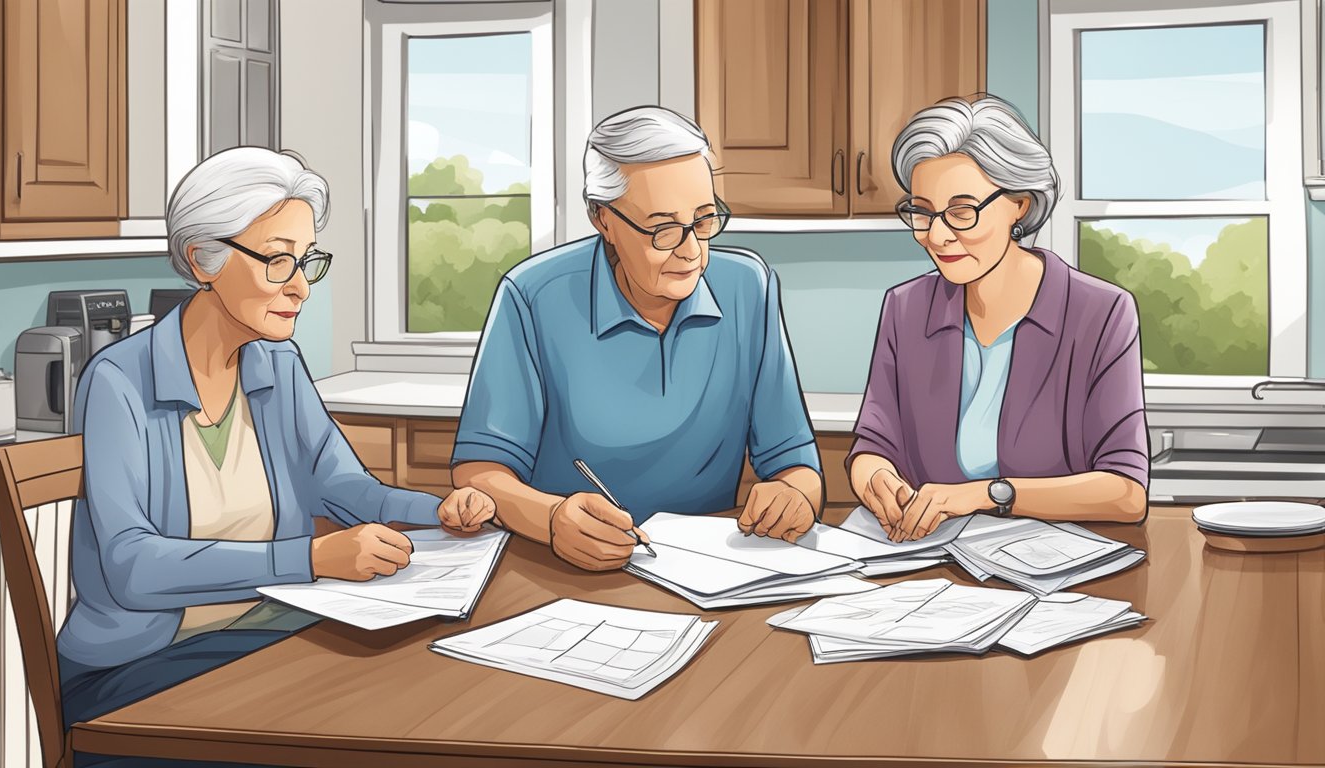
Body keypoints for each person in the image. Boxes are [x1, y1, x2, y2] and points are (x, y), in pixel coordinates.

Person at [57, 147, 496, 762]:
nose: (299, 286)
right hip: (138, 671)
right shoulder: (119, 381)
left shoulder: (276, 365)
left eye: (306, 261)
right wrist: (313, 557)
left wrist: (441, 510)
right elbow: (134, 567)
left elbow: (349, 489)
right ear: (201, 260)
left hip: (268, 635)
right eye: (277, 261)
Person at [452, 106, 823, 571]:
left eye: (704, 221)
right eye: (663, 229)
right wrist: (550, 519)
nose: (692, 251)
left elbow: (797, 463)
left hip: (710, 572)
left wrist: (793, 495)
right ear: (602, 219)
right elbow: (479, 471)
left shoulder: (750, 286)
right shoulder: (531, 296)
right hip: (564, 571)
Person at [848, 95, 1149, 543]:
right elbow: (873, 444)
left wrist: (988, 495)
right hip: (928, 566)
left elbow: (1126, 494)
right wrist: (875, 479)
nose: (937, 235)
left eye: (962, 212)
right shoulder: (905, 308)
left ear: (1020, 205)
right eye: (922, 212)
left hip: (1053, 575)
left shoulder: (1100, 313)